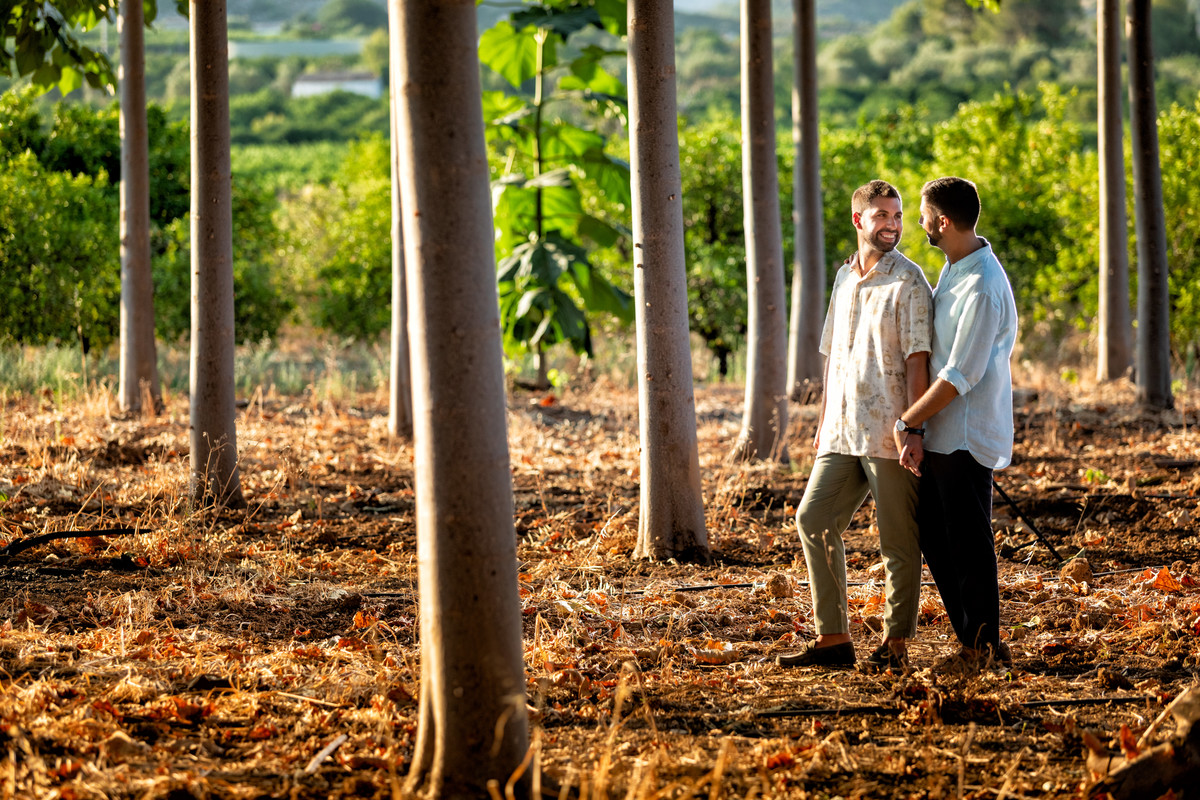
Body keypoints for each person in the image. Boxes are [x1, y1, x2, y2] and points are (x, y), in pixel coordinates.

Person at [777, 180, 932, 672]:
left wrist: (914, 427)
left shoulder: (909, 282)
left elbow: (917, 361)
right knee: (813, 519)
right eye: (882, 216)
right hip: (842, 430)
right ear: (858, 221)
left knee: (897, 540)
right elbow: (834, 358)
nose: (892, 225)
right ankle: (834, 639)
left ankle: (896, 646)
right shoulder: (845, 278)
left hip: (889, 432)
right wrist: (823, 421)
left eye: (898, 215)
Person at [893, 176, 1018, 671]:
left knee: (968, 544)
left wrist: (908, 421)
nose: (919, 224)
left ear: (942, 222)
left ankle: (985, 649)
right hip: (943, 434)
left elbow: (959, 375)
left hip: (965, 434)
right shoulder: (954, 269)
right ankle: (973, 640)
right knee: (936, 536)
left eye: (923, 215)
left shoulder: (983, 285)